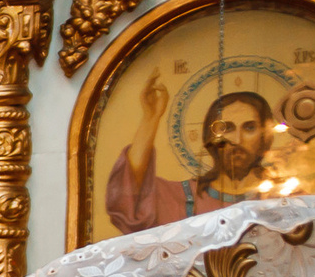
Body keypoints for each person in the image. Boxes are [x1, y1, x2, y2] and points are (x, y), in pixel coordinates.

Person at [105, 81, 276, 233]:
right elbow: (127, 199)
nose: (237, 140)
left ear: (264, 137)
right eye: (227, 128)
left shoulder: (282, 197)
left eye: (249, 128)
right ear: (211, 137)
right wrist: (151, 119)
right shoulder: (179, 197)